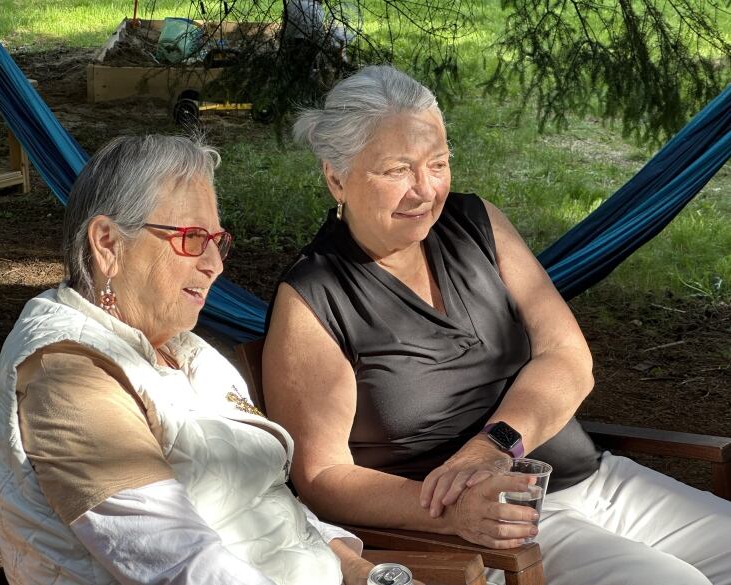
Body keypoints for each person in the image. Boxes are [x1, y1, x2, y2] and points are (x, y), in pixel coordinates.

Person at [262, 65, 731, 585]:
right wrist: (452, 506)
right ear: (336, 177)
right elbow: (320, 476)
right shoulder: (315, 297)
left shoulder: (475, 225)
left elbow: (569, 356)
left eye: (438, 163)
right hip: (493, 526)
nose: (424, 190)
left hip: (597, 480)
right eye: (397, 170)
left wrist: (494, 444)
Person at [0, 135, 383, 585]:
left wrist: (369, 574)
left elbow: (266, 502)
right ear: (108, 244)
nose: (216, 264)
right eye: (192, 238)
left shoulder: (177, 350)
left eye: (217, 240)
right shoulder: (69, 377)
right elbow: (181, 568)